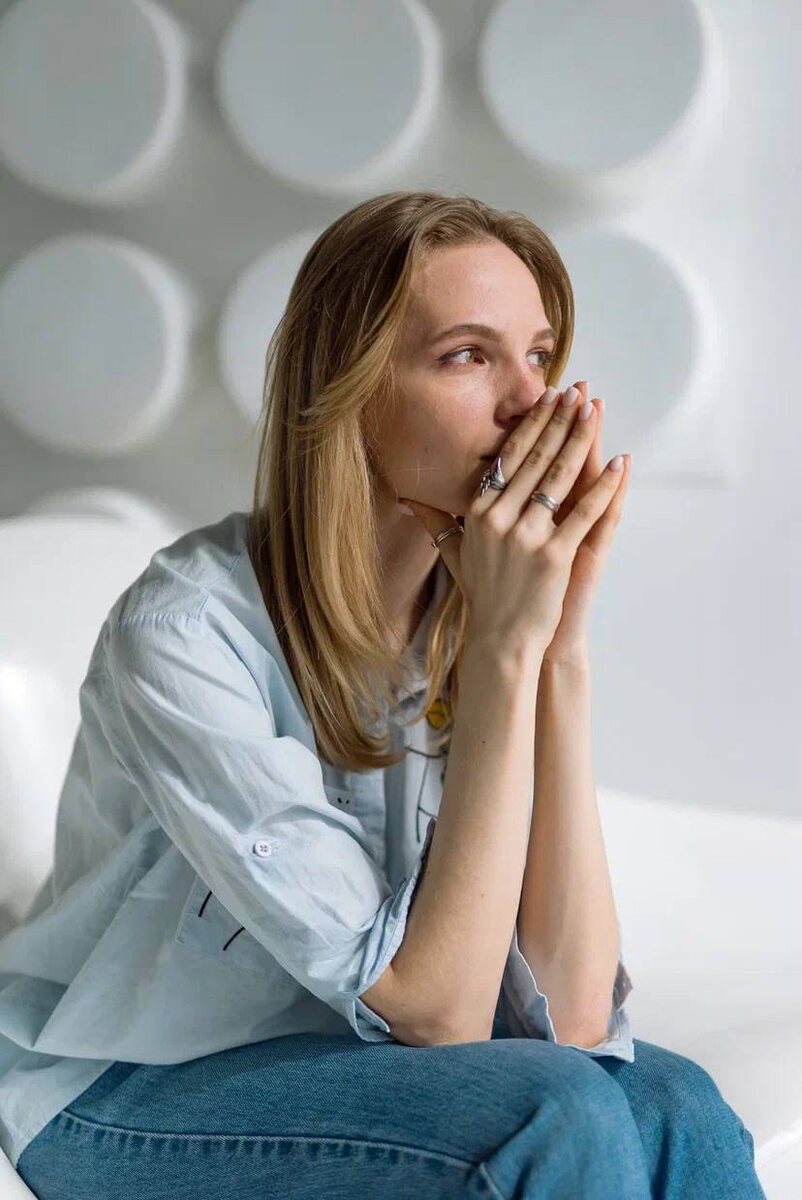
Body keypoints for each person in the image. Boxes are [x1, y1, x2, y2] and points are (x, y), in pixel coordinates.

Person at [1, 191, 763, 1198]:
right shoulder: (185, 633)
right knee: (552, 1113)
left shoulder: (483, 606)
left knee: (677, 1103)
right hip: (126, 1083)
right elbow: (440, 1018)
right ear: (351, 393)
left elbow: (576, 1019)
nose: (529, 401)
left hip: (350, 1063)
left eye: (539, 354)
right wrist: (507, 650)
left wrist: (557, 649)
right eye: (467, 356)